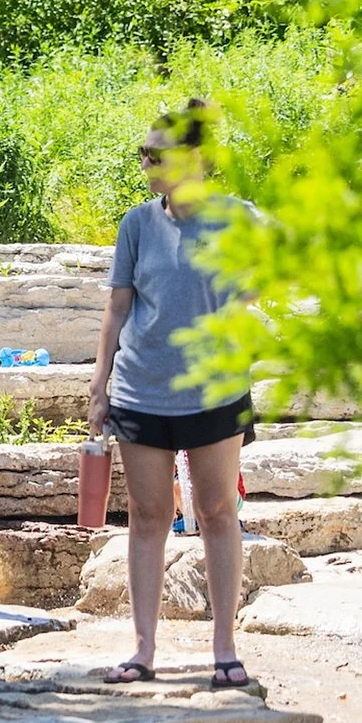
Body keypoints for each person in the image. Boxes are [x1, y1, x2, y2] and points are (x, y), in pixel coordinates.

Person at [89, 100, 259, 690]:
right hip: (141, 390)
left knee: (217, 512)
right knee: (148, 516)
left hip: (216, 392)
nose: (146, 164)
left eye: (156, 155)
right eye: (144, 154)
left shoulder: (238, 219)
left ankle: (225, 648)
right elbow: (117, 309)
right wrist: (98, 387)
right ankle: (142, 649)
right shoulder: (137, 224)